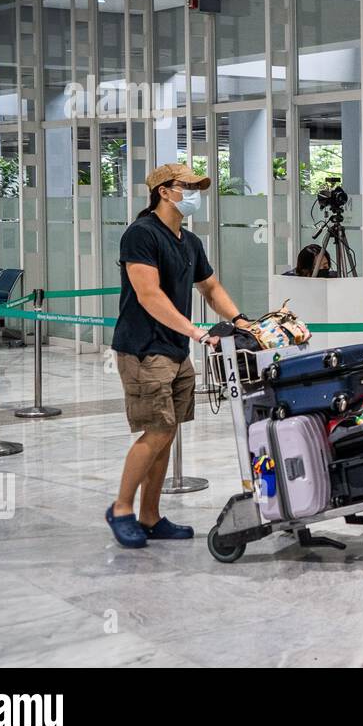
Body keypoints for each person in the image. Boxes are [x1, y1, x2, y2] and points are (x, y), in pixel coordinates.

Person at [107, 163, 254, 548]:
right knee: (155, 431)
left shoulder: (188, 241)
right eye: (186, 186)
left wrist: (240, 319)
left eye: (197, 186)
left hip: (174, 350)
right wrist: (194, 330)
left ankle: (150, 516)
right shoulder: (140, 235)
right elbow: (148, 294)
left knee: (167, 434)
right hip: (144, 348)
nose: (194, 193)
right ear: (164, 192)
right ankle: (121, 509)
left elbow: (210, 286)